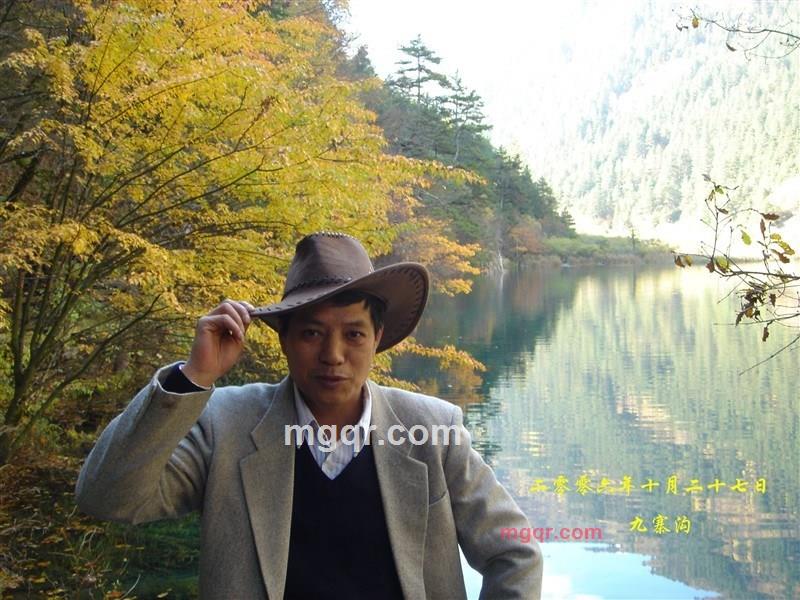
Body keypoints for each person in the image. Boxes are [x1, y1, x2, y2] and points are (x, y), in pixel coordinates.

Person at [76, 231, 542, 599]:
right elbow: (107, 497)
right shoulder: (226, 425)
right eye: (312, 333)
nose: (332, 355)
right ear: (284, 339)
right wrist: (192, 378)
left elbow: (514, 549)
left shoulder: (432, 431)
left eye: (354, 335)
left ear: (377, 338)